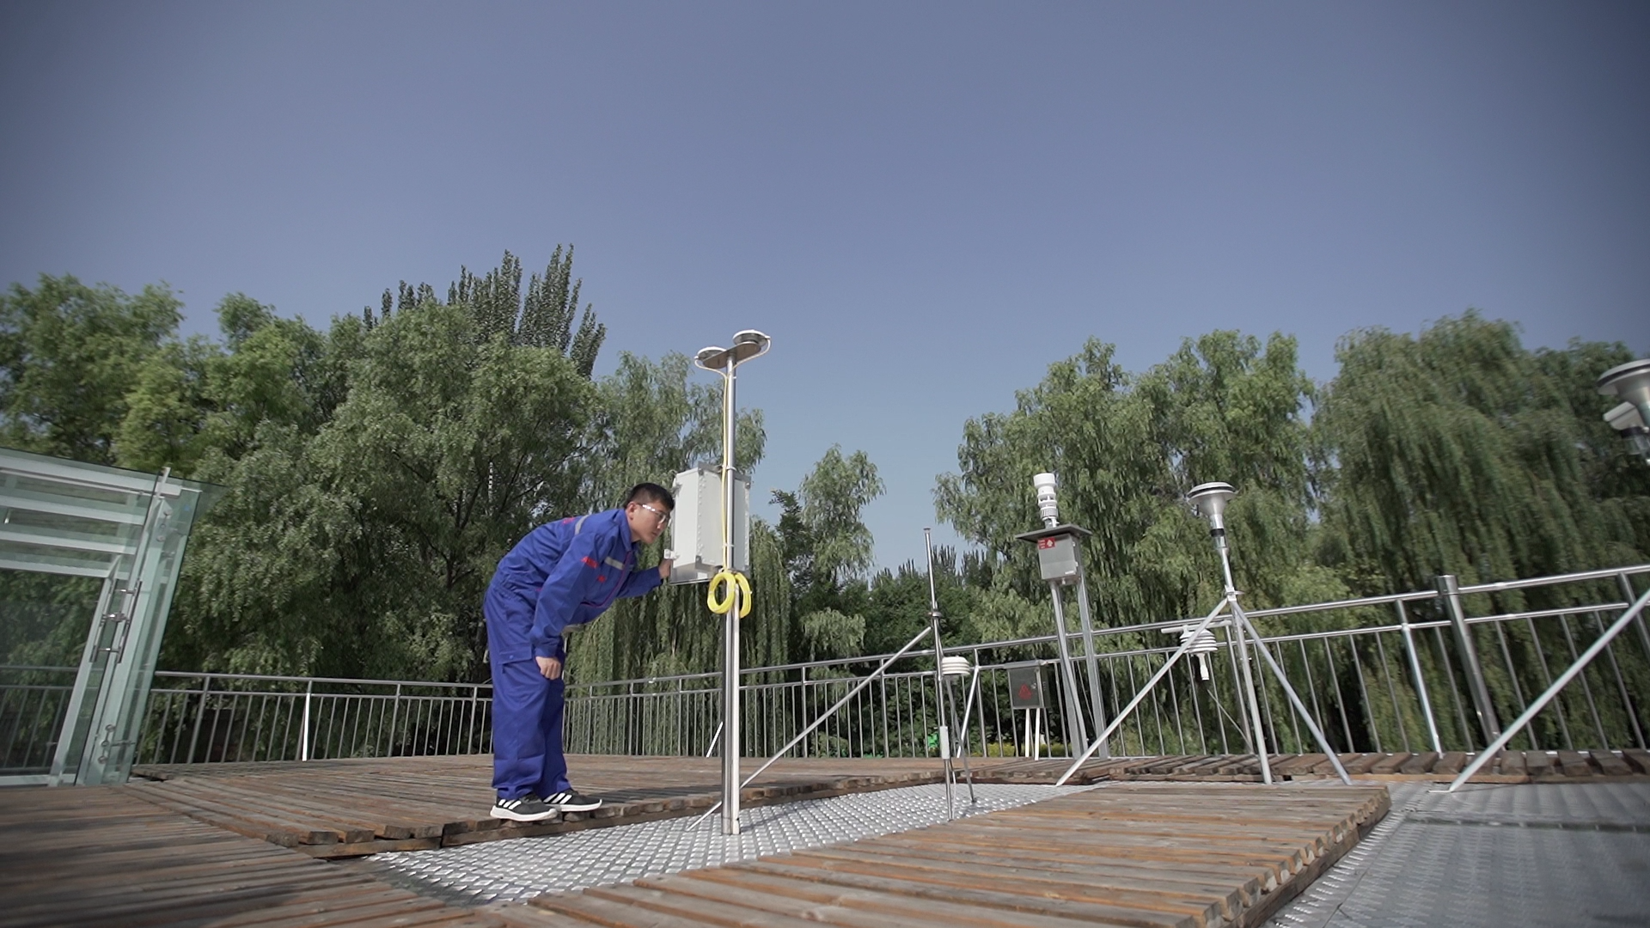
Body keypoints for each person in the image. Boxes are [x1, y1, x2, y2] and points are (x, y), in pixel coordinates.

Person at [483, 482, 675, 821]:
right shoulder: (600, 534)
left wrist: (658, 574)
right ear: (632, 509)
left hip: (544, 610)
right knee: (528, 687)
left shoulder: (626, 549)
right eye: (657, 515)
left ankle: (551, 787)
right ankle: (511, 794)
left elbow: (614, 588)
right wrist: (544, 645)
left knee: (549, 693)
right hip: (518, 599)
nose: (661, 525)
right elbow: (563, 586)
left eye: (666, 519)